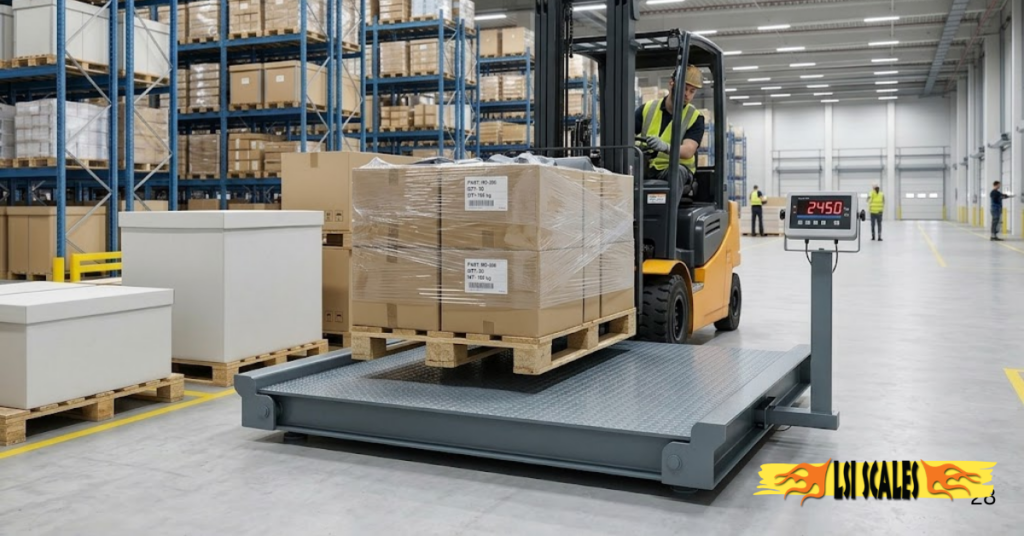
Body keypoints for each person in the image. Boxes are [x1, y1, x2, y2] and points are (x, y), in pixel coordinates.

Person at [635, 64, 706, 197]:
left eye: (692, 91)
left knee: (676, 171)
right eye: (684, 88)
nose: (687, 94)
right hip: (646, 166)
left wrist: (665, 147)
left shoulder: (695, 117)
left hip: (674, 168)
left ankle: (669, 217)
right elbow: (626, 133)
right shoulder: (648, 109)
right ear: (671, 83)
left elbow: (688, 150)